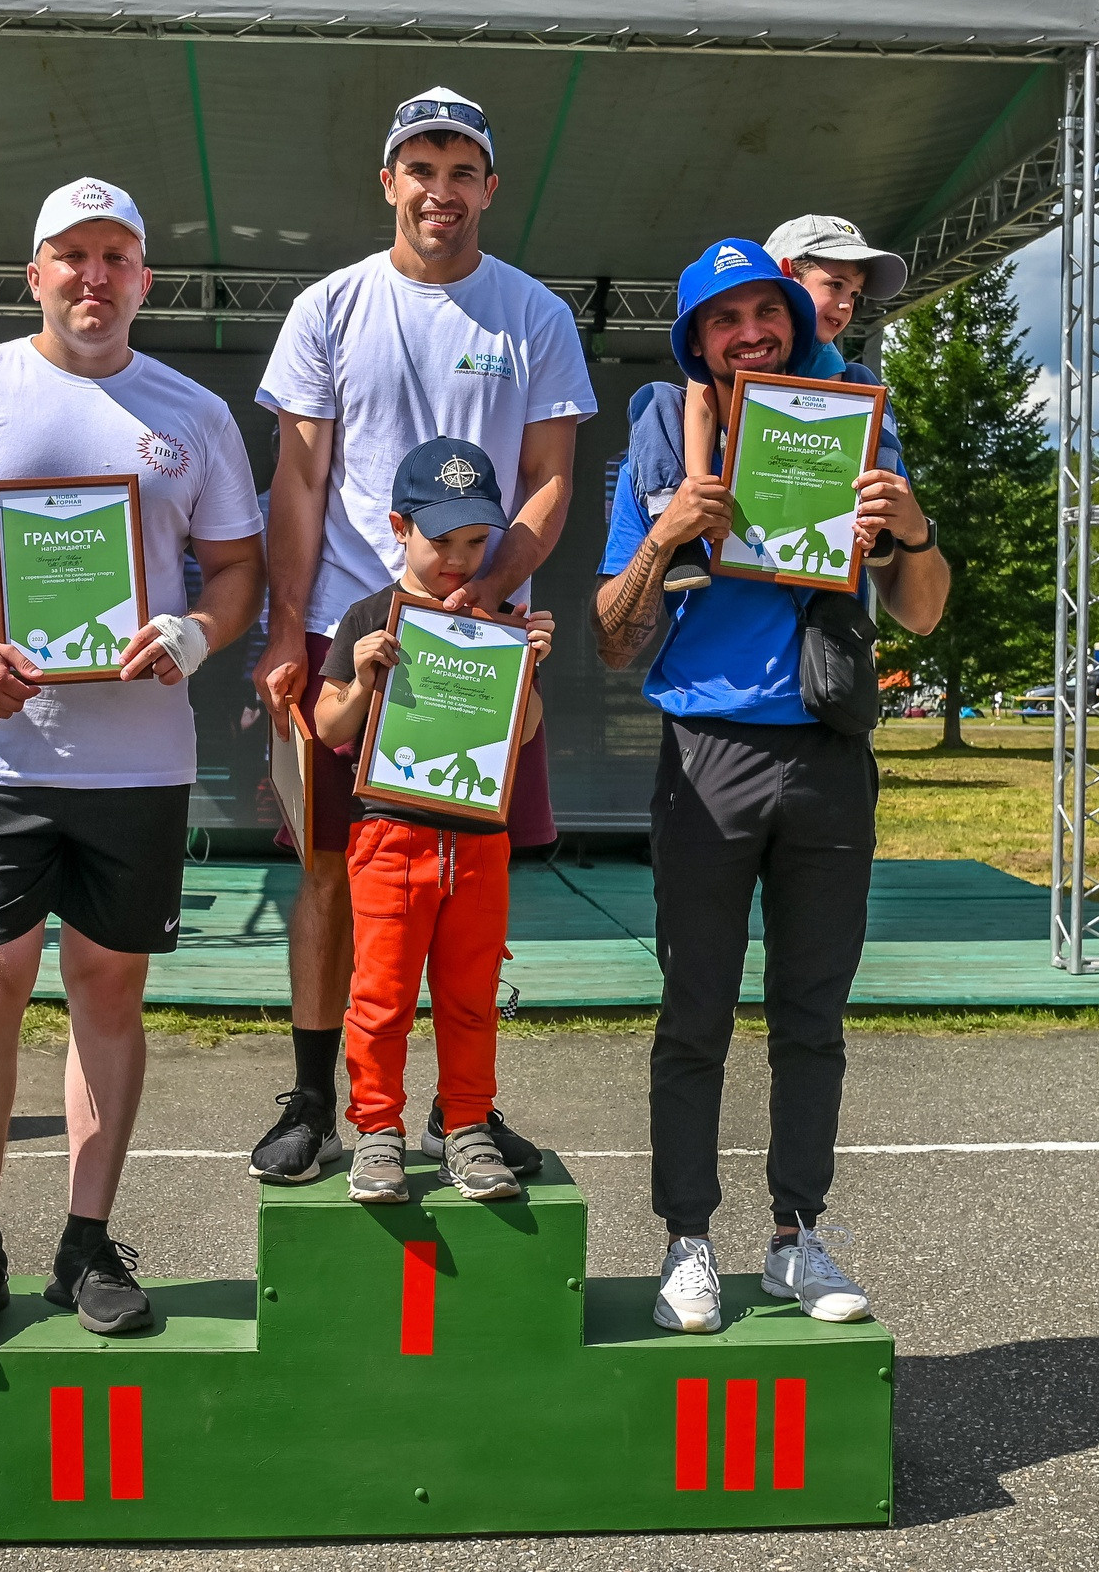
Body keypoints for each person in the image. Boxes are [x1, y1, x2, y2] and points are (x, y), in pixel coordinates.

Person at [0, 176, 264, 1346]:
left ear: (144, 278)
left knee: (107, 992)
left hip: (137, 765)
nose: (94, 276)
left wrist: (196, 630)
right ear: (34, 272)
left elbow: (235, 572)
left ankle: (87, 1236)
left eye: (116, 255)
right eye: (70, 255)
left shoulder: (193, 413)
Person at [592, 239, 950, 1332]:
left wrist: (911, 528)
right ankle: (686, 1241)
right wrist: (666, 531)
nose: (753, 331)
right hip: (706, 755)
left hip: (828, 755)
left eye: (770, 312)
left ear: (795, 323)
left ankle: (798, 1236)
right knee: (693, 1012)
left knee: (813, 1015)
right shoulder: (658, 429)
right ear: (697, 339)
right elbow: (611, 639)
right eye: (726, 317)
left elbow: (926, 610)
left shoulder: (862, 424)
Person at [247, 86, 594, 1186]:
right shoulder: (329, 306)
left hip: (476, 638)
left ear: (489, 187)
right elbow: (298, 481)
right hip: (348, 627)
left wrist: (481, 594)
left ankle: (462, 1112)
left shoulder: (532, 313)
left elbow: (548, 482)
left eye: (461, 171)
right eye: (420, 167)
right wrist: (284, 632)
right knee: (327, 876)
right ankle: (319, 1101)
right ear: (387, 180)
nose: (439, 190)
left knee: (469, 881)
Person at [308, 440, 550, 1205]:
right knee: (379, 995)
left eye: (475, 542)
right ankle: (377, 1130)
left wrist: (529, 668)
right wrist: (364, 678)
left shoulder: (502, 621)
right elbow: (326, 725)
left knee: (472, 995)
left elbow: (526, 730)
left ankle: (467, 1126)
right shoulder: (367, 616)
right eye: (440, 541)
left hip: (478, 842)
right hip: (389, 837)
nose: (458, 558)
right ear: (398, 527)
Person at [663, 216, 909, 591]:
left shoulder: (830, 360)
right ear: (787, 275)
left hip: (801, 497)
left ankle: (875, 512)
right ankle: (676, 534)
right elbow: (701, 400)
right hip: (744, 489)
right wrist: (701, 489)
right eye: (835, 285)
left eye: (855, 295)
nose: (845, 305)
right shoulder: (704, 380)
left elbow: (833, 429)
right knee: (652, 400)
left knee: (867, 391)